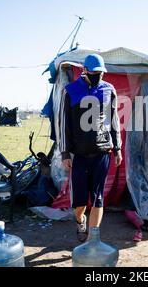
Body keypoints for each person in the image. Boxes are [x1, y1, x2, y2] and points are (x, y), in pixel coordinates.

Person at [59, 54, 122, 242]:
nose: (98, 75)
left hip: (102, 152)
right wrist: (65, 152)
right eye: (95, 72)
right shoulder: (70, 90)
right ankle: (80, 220)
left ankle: (93, 238)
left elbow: (114, 120)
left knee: (98, 198)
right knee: (79, 203)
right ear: (84, 70)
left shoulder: (109, 90)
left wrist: (117, 147)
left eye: (101, 73)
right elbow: (64, 124)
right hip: (79, 154)